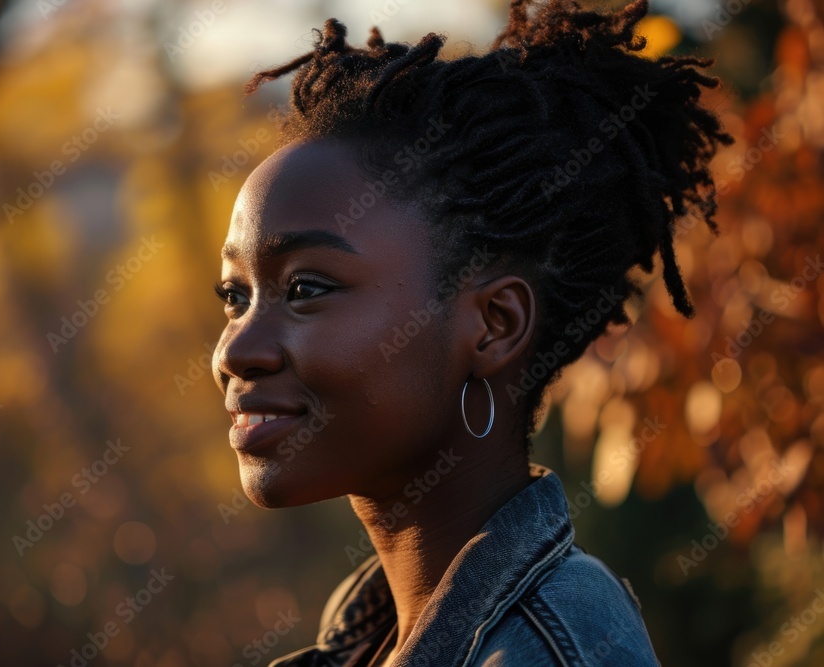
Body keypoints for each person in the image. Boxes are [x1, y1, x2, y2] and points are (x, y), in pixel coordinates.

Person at [211, 0, 733, 664]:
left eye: (307, 289)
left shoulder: (546, 650)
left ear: (494, 325)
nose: (236, 351)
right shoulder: (371, 632)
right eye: (235, 296)